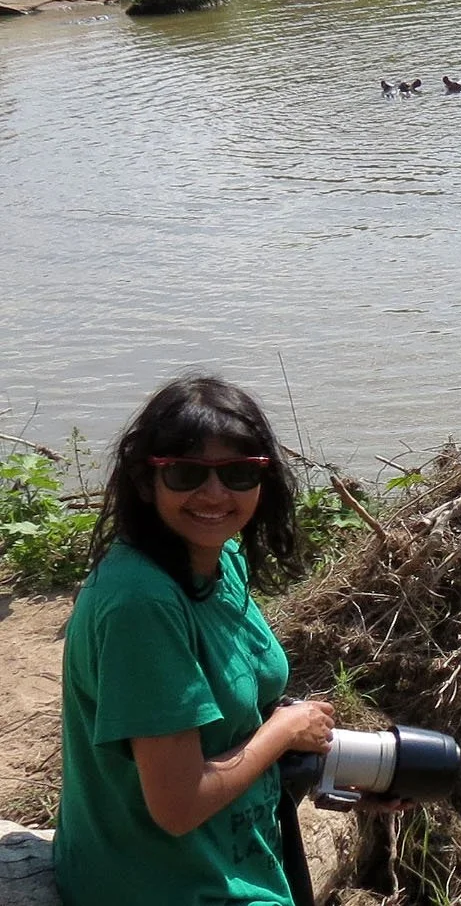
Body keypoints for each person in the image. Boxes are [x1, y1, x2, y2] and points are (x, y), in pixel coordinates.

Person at [54, 375, 336, 906]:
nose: (214, 495)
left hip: (229, 854)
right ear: (146, 481)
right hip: (163, 884)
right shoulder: (142, 603)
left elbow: (235, 717)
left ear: (263, 479)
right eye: (185, 473)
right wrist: (283, 731)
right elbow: (179, 805)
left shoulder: (217, 559)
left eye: (237, 473)